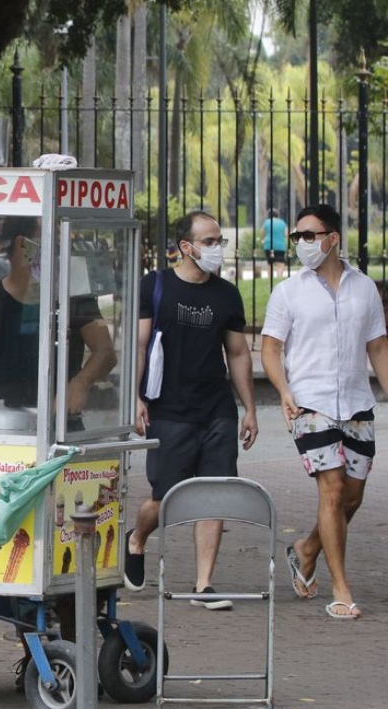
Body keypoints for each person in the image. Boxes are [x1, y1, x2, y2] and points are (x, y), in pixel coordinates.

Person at [260, 203, 388, 620]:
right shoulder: (288, 291)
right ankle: (341, 590)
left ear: (333, 238)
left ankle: (306, 549)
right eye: (297, 237)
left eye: (309, 236)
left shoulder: (364, 288)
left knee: (352, 497)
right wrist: (283, 390)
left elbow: (379, 347)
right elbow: (271, 347)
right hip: (309, 402)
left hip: (356, 402)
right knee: (331, 490)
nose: (301, 244)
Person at [125, 211, 258, 609]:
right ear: (187, 247)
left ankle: (203, 585)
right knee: (166, 497)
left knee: (213, 492)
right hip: (168, 408)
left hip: (216, 407)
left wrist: (249, 408)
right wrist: (134, 397)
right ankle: (137, 538)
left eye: (220, 241)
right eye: (210, 241)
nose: (218, 248)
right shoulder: (156, 285)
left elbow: (237, 352)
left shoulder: (226, 294)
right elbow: (139, 345)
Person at [0, 217, 116, 432]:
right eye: (48, 241)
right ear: (22, 244)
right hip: (3, 425)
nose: (57, 249)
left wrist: (81, 382)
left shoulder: (73, 297)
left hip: (61, 423)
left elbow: (106, 352)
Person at [262, 208, 288, 276]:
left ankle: (270, 279)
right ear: (277, 215)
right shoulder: (282, 222)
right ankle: (278, 278)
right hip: (280, 245)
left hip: (268, 245)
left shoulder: (266, 222)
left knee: (270, 264)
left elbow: (263, 234)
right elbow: (286, 234)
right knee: (280, 264)